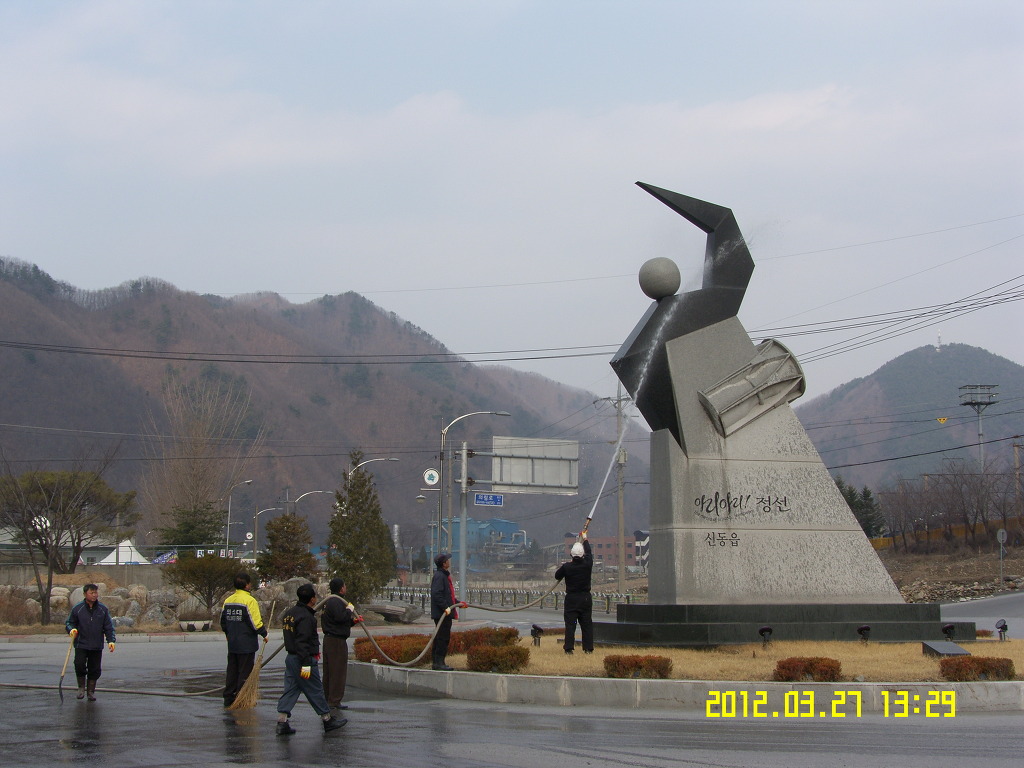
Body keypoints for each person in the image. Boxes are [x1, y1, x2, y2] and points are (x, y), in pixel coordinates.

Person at [276, 583, 346, 735]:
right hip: (304, 660)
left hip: (291, 659)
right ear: (312, 599)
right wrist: (306, 664)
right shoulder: (307, 617)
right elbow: (303, 642)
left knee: (291, 689)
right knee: (315, 689)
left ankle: (282, 721)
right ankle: (327, 719)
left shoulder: (290, 613)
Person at [220, 571, 268, 707]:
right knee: (244, 672)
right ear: (247, 585)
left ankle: (229, 697)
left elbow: (223, 621)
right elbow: (255, 622)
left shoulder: (228, 601)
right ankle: (241, 698)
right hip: (246, 643)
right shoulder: (249, 601)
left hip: (233, 642)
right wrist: (264, 634)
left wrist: (228, 634)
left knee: (232, 671)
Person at [65, 583, 116, 701]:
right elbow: (69, 623)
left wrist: (111, 641)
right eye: (91, 593)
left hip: (96, 644)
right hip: (81, 643)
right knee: (79, 664)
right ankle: (81, 688)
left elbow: (108, 627)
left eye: (95, 593)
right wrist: (71, 630)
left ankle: (91, 691)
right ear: (85, 594)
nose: (94, 595)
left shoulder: (103, 609)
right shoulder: (78, 608)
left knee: (95, 669)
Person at [320, 577, 362, 713]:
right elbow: (340, 617)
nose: (346, 588)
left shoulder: (329, 601)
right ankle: (334, 700)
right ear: (341, 588)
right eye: (344, 586)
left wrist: (353, 621)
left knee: (329, 671)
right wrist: (349, 610)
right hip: (336, 641)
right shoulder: (336, 601)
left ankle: (328, 698)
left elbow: (338, 621)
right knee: (337, 672)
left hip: (330, 639)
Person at [554, 532, 593, 654]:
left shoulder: (567, 567)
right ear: (582, 555)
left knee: (570, 625)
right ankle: (588, 648)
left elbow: (557, 576)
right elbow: (589, 553)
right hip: (585, 598)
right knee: (586, 624)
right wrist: (585, 538)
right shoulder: (587, 564)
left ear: (571, 554)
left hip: (571, 599)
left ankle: (569, 648)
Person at [429, 553, 466, 671]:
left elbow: (448, 596)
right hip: (442, 614)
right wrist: (446, 607)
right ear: (443, 563)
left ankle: (437, 662)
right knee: (442, 638)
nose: (449, 562)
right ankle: (439, 663)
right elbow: (437, 594)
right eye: (447, 560)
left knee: (440, 637)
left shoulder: (443, 576)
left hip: (445, 613)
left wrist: (458, 603)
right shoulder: (440, 576)